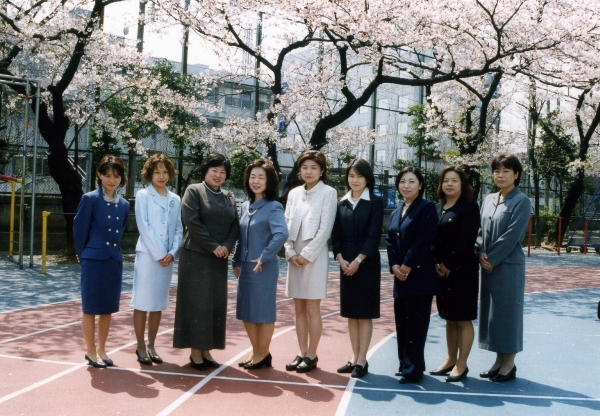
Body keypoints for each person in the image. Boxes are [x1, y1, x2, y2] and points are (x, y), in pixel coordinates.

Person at [173, 153, 239, 370]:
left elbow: (235, 225)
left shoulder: (229, 196)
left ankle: (207, 349)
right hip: (196, 256)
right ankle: (195, 352)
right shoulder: (194, 191)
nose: (218, 175)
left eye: (222, 172)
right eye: (214, 170)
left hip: (219, 258)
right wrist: (214, 246)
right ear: (206, 171)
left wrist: (227, 245)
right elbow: (192, 222)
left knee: (214, 304)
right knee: (197, 303)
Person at [476, 153, 531, 382]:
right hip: (487, 264)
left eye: (506, 171)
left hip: (508, 266)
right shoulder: (488, 199)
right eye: (497, 171)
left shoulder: (522, 201)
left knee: (508, 314)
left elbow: (512, 235)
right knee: (493, 315)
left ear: (516, 175)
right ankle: (498, 360)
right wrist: (480, 252)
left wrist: (492, 259)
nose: (500, 175)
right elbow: (480, 230)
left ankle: (509, 363)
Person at [284, 150, 337, 373]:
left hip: (314, 257)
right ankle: (302, 351)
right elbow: (285, 224)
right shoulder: (294, 193)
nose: (309, 172)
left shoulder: (329, 193)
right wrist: (289, 251)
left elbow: (325, 229)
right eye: (305, 167)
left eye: (314, 168)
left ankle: (312, 355)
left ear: (322, 171)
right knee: (298, 308)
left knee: (312, 308)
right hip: (294, 256)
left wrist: (307, 254)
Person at [74, 155, 130, 368]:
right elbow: (79, 230)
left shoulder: (124, 204)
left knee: (107, 308)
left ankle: (101, 349)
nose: (112, 180)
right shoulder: (90, 199)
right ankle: (90, 350)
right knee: (90, 308)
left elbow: (120, 230)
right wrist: (84, 255)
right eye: (107, 175)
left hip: (113, 260)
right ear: (99, 175)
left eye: (116, 176)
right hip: (93, 260)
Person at [233, 159, 288, 370]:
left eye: (261, 177)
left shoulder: (274, 206)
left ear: (269, 181)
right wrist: (236, 260)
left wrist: (264, 256)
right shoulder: (245, 206)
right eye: (252, 177)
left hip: (263, 268)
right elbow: (242, 236)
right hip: (246, 267)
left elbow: (281, 233)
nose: (255, 181)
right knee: (246, 311)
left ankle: (263, 353)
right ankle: (256, 351)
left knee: (263, 312)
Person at [331, 159, 383, 379]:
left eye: (360, 176)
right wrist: (340, 258)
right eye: (351, 176)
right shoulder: (341, 203)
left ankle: (362, 360)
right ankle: (354, 358)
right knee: (352, 314)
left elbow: (374, 236)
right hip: (346, 263)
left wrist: (358, 260)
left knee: (364, 313)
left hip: (366, 263)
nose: (355, 180)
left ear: (367, 179)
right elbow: (335, 235)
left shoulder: (375, 202)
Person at [386, 166, 438, 384]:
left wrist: (407, 265)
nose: (406, 186)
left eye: (411, 181)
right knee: (402, 322)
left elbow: (424, 239)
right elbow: (390, 242)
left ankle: (413, 370)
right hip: (400, 276)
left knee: (417, 324)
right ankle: (405, 364)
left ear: (420, 185)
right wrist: (394, 265)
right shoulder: (396, 212)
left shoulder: (427, 208)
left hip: (419, 275)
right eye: (402, 181)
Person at [430, 166, 480, 382]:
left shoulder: (469, 207)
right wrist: (436, 264)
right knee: (449, 317)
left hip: (462, 271)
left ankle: (462, 363)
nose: (449, 184)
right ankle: (450, 359)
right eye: (446, 180)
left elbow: (466, 241)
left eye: (454, 180)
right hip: (440, 271)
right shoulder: (436, 208)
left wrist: (448, 264)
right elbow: (431, 239)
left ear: (462, 184)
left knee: (463, 318)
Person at [131, 154, 183, 365]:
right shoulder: (143, 195)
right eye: (156, 172)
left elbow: (178, 228)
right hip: (148, 256)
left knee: (158, 304)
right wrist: (160, 253)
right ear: (149, 174)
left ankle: (152, 345)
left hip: (167, 260)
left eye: (165, 172)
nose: (161, 176)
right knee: (142, 302)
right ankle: (140, 346)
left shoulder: (175, 199)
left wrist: (172, 252)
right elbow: (143, 226)